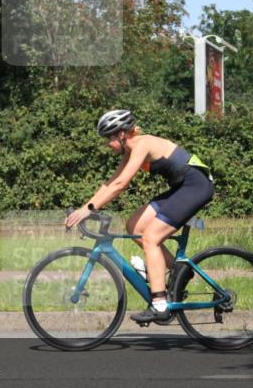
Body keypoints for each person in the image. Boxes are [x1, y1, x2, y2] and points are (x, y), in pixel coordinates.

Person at [64, 109, 214, 324]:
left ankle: (160, 304)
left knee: (151, 238)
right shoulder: (130, 151)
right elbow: (110, 182)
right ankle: (179, 270)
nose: (108, 143)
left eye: (109, 138)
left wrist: (89, 208)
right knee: (134, 226)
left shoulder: (142, 144)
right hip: (181, 187)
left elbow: (121, 184)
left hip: (195, 186)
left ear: (122, 134)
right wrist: (85, 207)